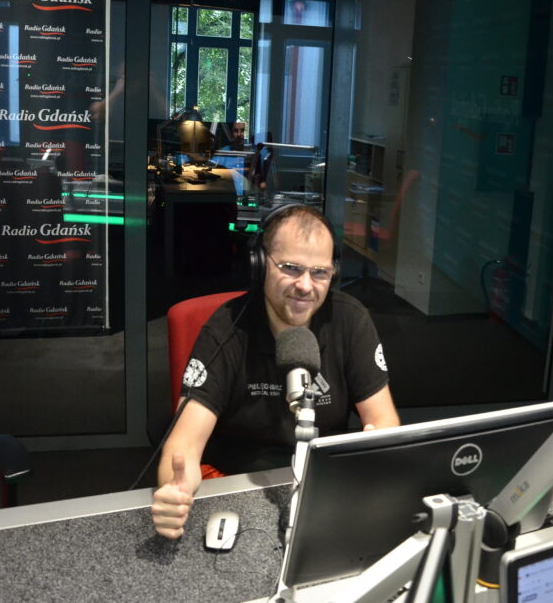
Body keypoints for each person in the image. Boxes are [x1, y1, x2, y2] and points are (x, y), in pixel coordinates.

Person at [150, 204, 400, 539]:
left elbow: (383, 421)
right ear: (259, 265)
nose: (306, 286)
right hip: (233, 482)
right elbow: (183, 446)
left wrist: (375, 450)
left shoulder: (350, 321)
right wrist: (176, 490)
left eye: (320, 272)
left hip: (319, 484)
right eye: (291, 268)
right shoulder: (224, 329)